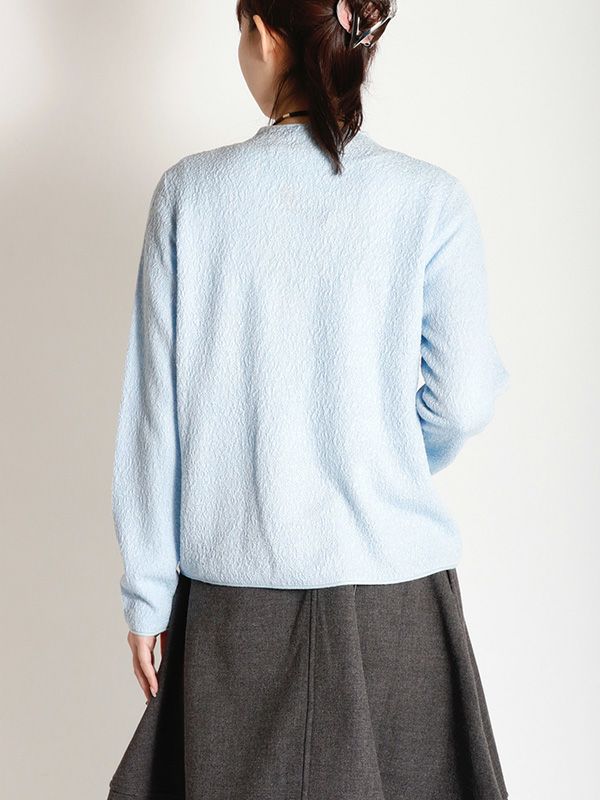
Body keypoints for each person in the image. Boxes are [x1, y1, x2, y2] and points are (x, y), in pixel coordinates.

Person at [106, 1, 511, 798]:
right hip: (398, 608)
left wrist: (148, 597)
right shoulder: (430, 199)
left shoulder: (191, 195)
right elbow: (463, 401)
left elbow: (155, 424)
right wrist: (381, 457)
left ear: (262, 32)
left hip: (234, 609)